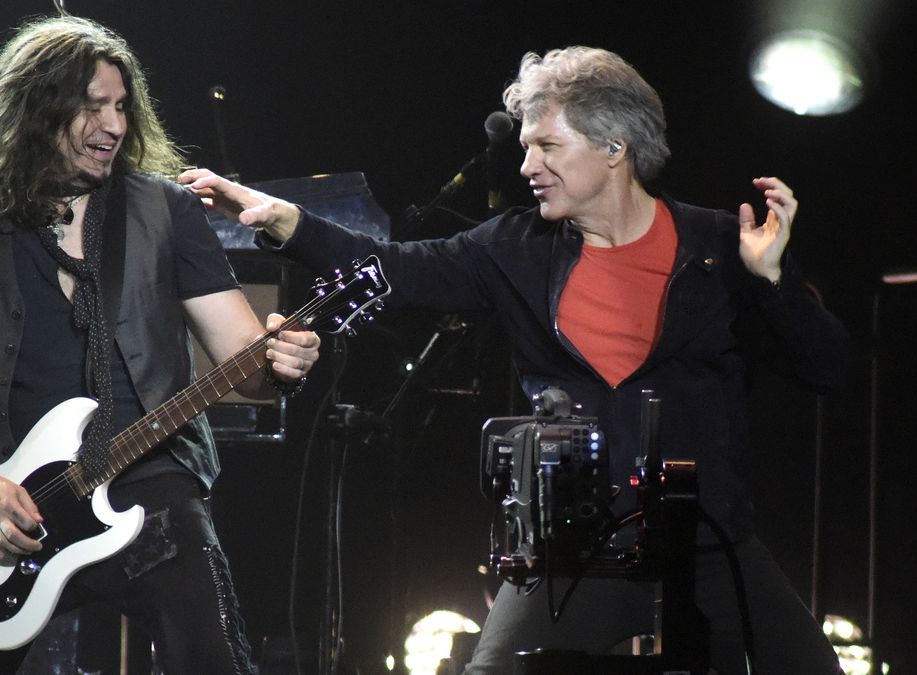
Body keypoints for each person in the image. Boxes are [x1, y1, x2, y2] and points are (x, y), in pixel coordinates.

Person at [180, 46, 848, 674]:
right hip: (574, 554)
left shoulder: (718, 244)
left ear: (615, 148)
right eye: (527, 145)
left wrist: (772, 281)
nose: (527, 165)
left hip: (710, 544)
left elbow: (828, 368)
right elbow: (392, 269)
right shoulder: (514, 248)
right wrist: (277, 218)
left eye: (547, 145)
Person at [0, 16, 320, 674]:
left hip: (150, 480)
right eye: (91, 108)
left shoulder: (164, 209)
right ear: (34, 110)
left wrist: (281, 365)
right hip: (7, 495)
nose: (114, 125)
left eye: (120, 106)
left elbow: (245, 359)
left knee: (211, 655)